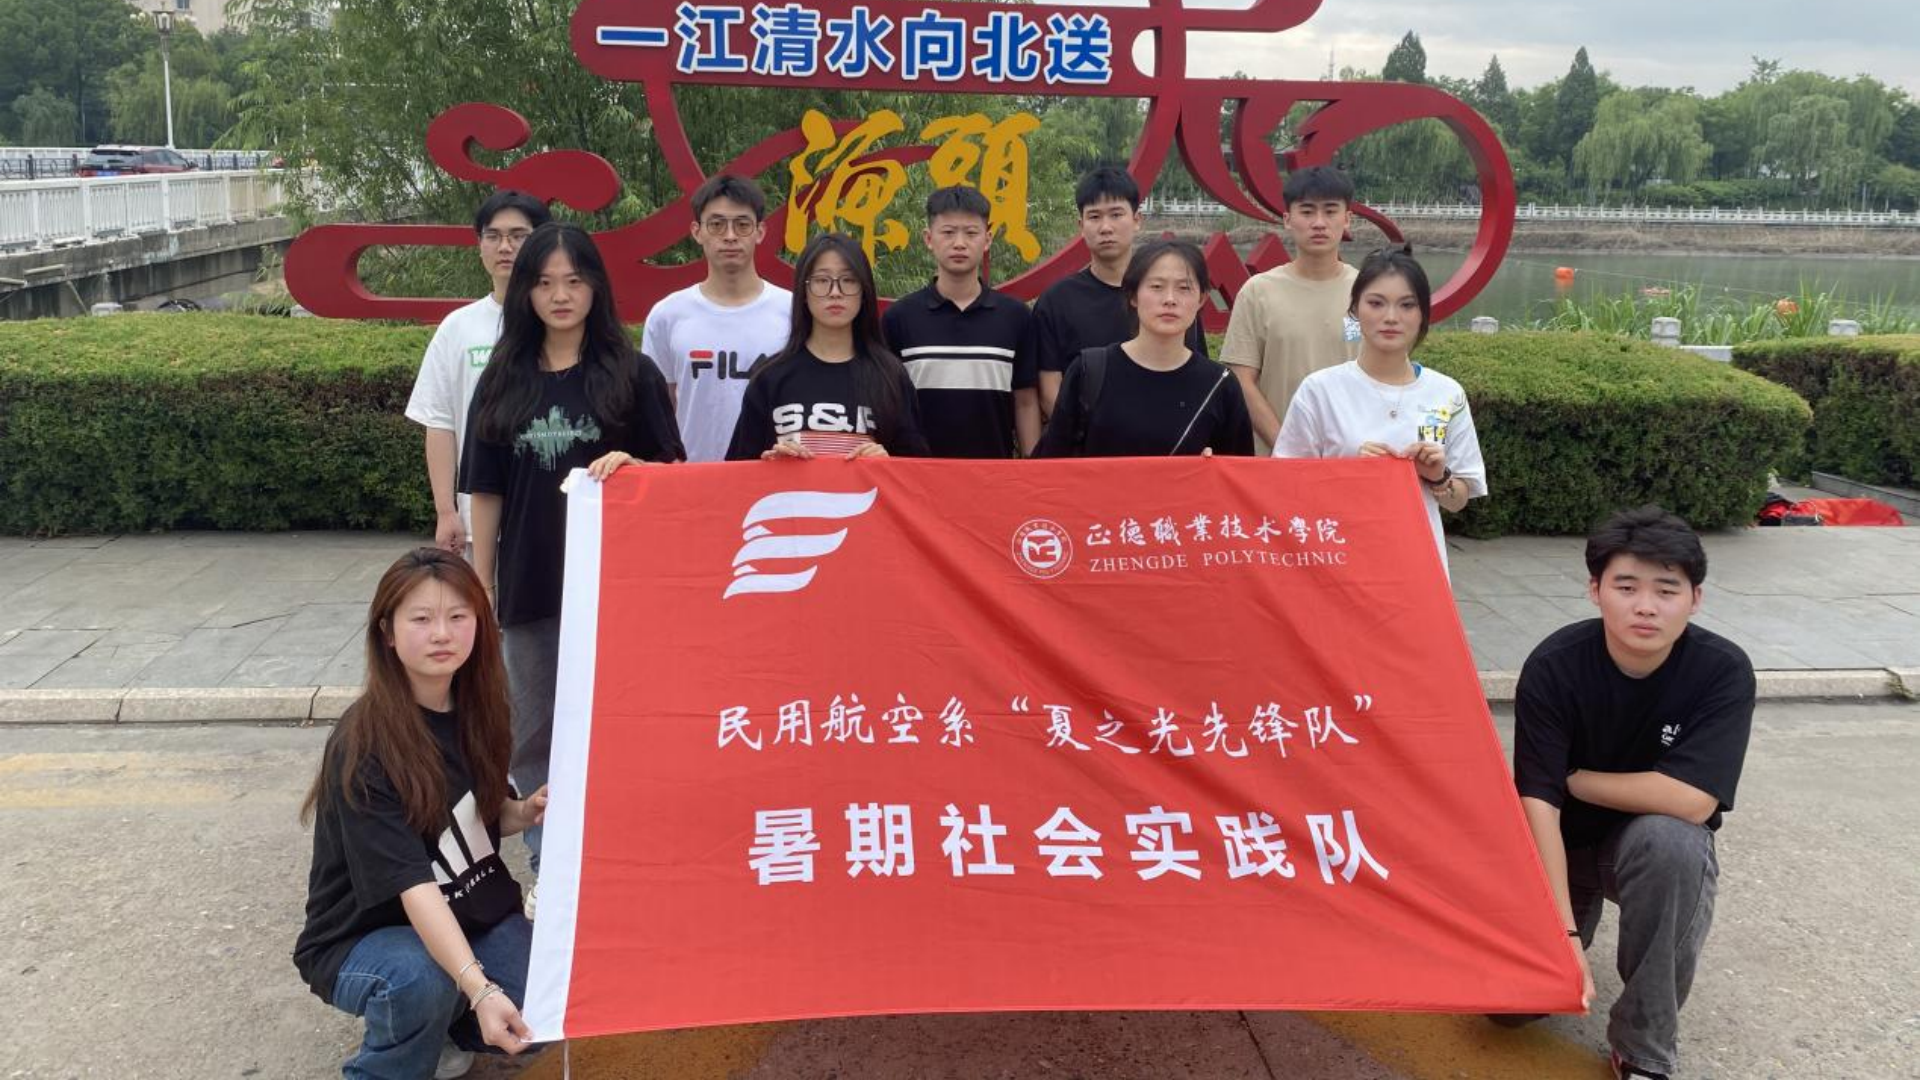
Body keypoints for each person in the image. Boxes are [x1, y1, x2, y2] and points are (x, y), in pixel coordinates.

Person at [1500, 506, 1756, 1080]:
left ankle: (1643, 1048)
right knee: (1507, 1008)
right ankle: (1568, 933)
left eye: (1666, 589)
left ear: (1695, 598)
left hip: (1639, 850)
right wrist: (1563, 935)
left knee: (1673, 843)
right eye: (1626, 587)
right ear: (1595, 591)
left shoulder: (1721, 670)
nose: (1645, 606)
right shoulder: (1555, 666)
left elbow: (1693, 801)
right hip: (1562, 846)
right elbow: (1537, 804)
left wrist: (1575, 779)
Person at [461, 223, 682, 868]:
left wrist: (636, 468)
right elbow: (486, 489)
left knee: (623, 719)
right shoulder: (503, 378)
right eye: (545, 283)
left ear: (596, 289)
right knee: (533, 729)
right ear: (525, 292)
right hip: (530, 582)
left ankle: (624, 848)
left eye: (574, 281)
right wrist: (480, 584)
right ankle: (548, 856)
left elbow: (674, 473)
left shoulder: (632, 373)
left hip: (620, 590)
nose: (560, 296)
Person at [293, 547, 545, 1080]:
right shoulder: (365, 744)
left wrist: (525, 811)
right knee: (420, 979)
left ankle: (438, 1028)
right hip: (367, 936)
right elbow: (415, 887)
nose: (442, 634)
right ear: (387, 632)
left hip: (467, 912)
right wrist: (479, 988)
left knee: (546, 1001)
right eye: (422, 619)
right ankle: (398, 1049)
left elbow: (477, 817)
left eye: (458, 616)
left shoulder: (480, 708)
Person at [1272, 247, 1485, 575]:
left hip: (1417, 566)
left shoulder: (1447, 394)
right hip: (1337, 565)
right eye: (1376, 303)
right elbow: (1284, 488)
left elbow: (1458, 500)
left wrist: (1439, 477)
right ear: (1354, 311)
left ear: (1422, 315)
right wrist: (1350, 475)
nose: (1391, 317)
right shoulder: (1320, 390)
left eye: (1407, 305)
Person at [404, 190, 554, 553]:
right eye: (493, 236)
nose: (505, 247)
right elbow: (440, 422)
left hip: (556, 514)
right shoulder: (458, 327)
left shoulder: (563, 322)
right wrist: (446, 511)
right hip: (480, 518)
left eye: (519, 236)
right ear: (480, 246)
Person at [1033, 239, 1253, 458]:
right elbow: (1050, 465)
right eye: (1157, 287)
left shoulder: (1220, 385)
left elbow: (1240, 472)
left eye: (1184, 288)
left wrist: (1211, 467)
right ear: (1133, 296)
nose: (1170, 299)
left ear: (1201, 299)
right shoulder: (1088, 372)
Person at [725, 233, 930, 461]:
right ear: (804, 292)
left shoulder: (890, 375)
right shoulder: (770, 376)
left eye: (848, 280)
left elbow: (915, 470)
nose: (835, 292)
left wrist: (887, 462)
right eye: (822, 281)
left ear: (864, 292)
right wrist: (769, 463)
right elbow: (737, 470)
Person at [1031, 166, 1210, 419]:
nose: (1106, 227)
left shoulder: (1170, 298)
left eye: (1116, 215)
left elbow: (1196, 373)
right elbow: (1050, 391)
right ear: (1081, 225)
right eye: (1094, 217)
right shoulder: (1057, 301)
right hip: (1087, 440)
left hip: (1169, 436)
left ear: (1137, 220)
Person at [881, 185, 1041, 457]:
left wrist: (1033, 469)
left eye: (970, 233)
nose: (959, 243)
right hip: (917, 473)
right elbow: (887, 405)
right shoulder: (899, 319)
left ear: (987, 239)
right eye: (948, 232)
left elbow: (1025, 402)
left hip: (992, 472)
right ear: (928, 238)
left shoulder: (1015, 317)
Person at [642, 174, 792, 463]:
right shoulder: (667, 316)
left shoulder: (793, 312)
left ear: (760, 231)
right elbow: (658, 410)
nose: (730, 236)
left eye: (742, 225)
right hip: (691, 477)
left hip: (772, 475)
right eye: (717, 224)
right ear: (697, 231)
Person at [1219, 166, 1362, 452]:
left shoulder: (1367, 292)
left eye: (1330, 211)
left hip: (1352, 458)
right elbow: (1242, 381)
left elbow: (1385, 375)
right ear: (1287, 219)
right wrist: (1288, 447)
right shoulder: (1258, 292)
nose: (1319, 223)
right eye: (1307, 212)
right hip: (1277, 460)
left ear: (1347, 219)